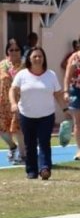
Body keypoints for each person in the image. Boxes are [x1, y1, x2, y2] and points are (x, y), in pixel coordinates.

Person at [9, 47, 67, 180]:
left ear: (44, 58)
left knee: (44, 142)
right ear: (29, 58)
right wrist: (13, 103)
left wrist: (65, 109)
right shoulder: (22, 74)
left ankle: (45, 168)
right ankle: (32, 171)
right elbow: (13, 90)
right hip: (26, 115)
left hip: (46, 115)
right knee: (30, 144)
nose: (37, 59)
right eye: (35, 56)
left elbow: (57, 94)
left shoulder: (50, 75)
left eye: (40, 56)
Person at [0, 40, 25, 164]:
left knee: (18, 128)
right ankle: (12, 146)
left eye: (17, 50)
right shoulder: (1, 65)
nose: (14, 52)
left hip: (19, 101)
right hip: (3, 103)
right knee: (2, 130)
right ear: (7, 51)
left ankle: (23, 155)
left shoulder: (25, 66)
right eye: (11, 50)